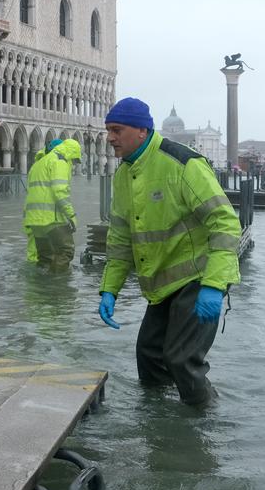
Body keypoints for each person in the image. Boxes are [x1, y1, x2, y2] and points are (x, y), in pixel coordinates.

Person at [96, 97, 242, 406]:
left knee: (182, 360)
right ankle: (158, 423)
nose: (110, 138)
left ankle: (203, 425)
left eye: (117, 130)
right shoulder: (124, 174)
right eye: (108, 130)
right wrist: (110, 289)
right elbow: (121, 238)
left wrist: (214, 285)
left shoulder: (183, 163)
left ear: (142, 131)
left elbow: (226, 223)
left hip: (198, 278)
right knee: (148, 357)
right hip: (162, 284)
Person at [23, 138, 81, 268]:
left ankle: (42, 285)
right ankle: (58, 285)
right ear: (72, 153)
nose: (73, 164)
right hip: (51, 219)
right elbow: (60, 191)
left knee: (45, 257)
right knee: (66, 251)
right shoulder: (59, 161)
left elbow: (30, 194)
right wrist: (71, 215)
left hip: (34, 220)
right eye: (74, 159)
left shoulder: (38, 164)